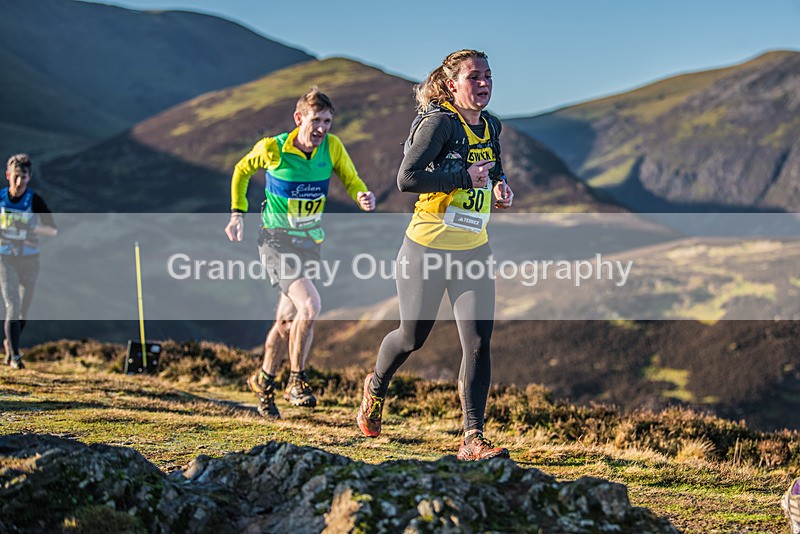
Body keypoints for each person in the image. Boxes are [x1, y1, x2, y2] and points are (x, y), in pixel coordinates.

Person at [356, 49, 514, 461]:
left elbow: (492, 166)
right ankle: (375, 388)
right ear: (451, 85)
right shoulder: (439, 124)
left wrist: (499, 186)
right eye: (473, 77)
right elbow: (406, 178)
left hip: (473, 250)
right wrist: (464, 177)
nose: (483, 84)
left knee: (478, 343)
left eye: (488, 76)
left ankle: (472, 437)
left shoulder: (491, 125)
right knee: (412, 338)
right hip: (426, 249)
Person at [225, 87, 375, 419]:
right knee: (311, 306)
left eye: (327, 121)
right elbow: (241, 170)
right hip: (276, 241)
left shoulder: (332, 148)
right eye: (315, 120)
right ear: (299, 119)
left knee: (285, 322)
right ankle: (297, 380)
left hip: (309, 243)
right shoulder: (273, 149)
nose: (321, 128)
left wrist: (362, 194)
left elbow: (350, 179)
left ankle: (263, 382)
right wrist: (238, 213)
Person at [1, 154, 58, 369]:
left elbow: (53, 230)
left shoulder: (34, 201)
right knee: (12, 305)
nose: (19, 182)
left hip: (29, 259)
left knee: (24, 311)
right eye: (15, 177)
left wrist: (31, 228)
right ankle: (15, 357)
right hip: (5, 258)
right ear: (8, 175)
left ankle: (9, 344)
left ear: (29, 177)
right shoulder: (0, 199)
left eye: (23, 177)